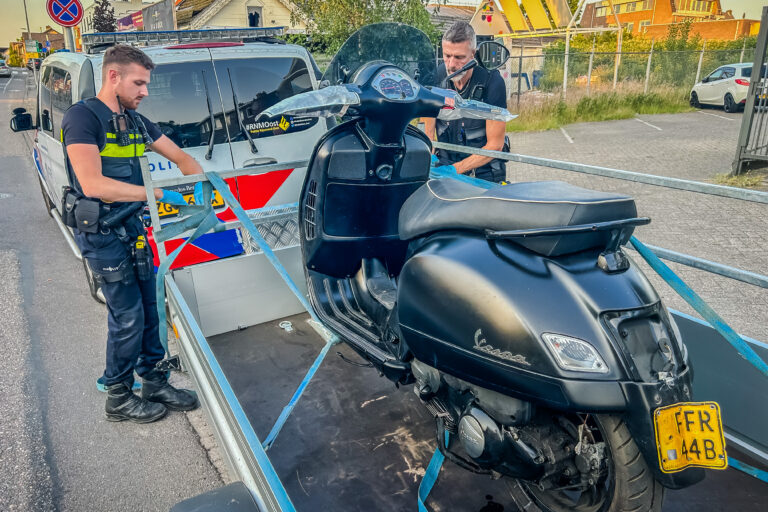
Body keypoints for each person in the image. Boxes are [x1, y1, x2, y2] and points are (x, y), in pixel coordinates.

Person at [61, 45, 203, 423]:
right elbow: (92, 184)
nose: (145, 91)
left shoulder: (135, 121)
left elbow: (183, 159)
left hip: (132, 228)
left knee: (151, 307)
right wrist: (154, 194)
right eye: (139, 83)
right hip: (103, 233)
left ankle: (154, 381)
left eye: (146, 84)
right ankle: (119, 395)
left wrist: (203, 186)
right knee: (127, 315)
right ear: (113, 76)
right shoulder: (83, 118)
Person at [423, 22, 509, 183]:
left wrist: (454, 170)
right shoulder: (437, 76)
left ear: (473, 54)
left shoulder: (492, 81)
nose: (451, 65)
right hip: (444, 163)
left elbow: (495, 144)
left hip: (483, 171)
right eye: (447, 55)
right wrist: (428, 157)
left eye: (459, 57)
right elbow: (428, 132)